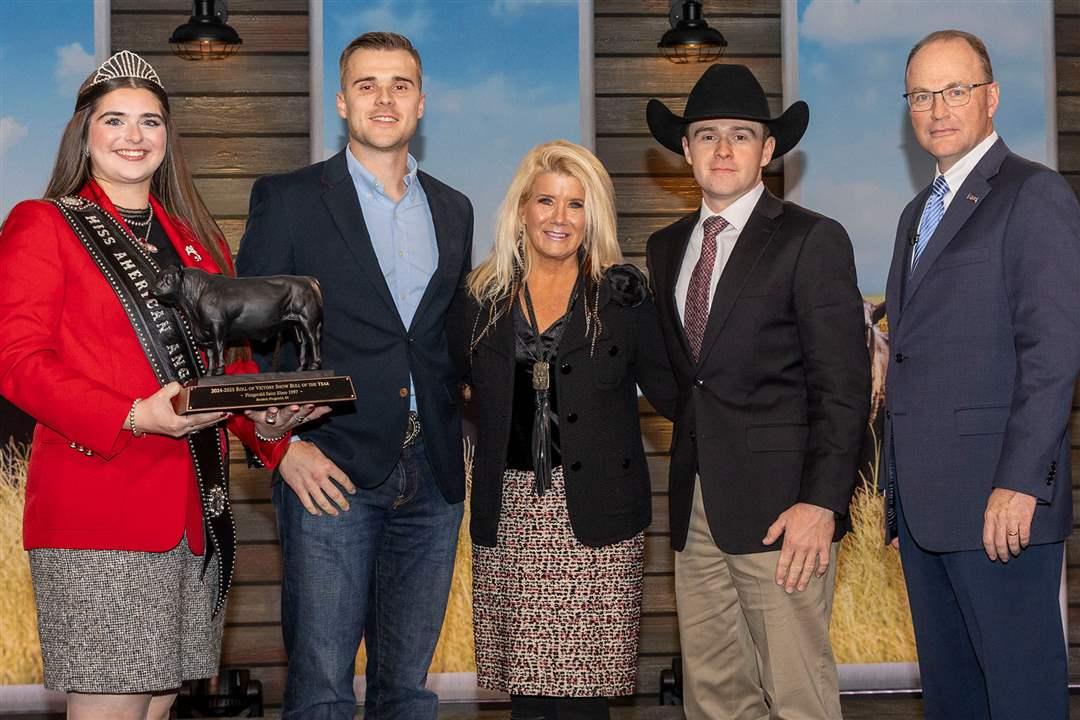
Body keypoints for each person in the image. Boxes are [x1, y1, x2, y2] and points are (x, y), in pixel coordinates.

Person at [0, 51, 315, 720]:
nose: (133, 136)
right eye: (114, 120)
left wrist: (264, 423)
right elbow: (16, 360)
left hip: (193, 517)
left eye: (150, 121)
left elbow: (224, 375)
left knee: (156, 709)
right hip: (98, 511)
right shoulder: (44, 224)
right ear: (84, 131)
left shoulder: (200, 245)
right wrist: (130, 415)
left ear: (168, 137)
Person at [235, 32, 473, 719]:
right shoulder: (289, 199)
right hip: (329, 471)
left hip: (431, 479)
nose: (384, 98)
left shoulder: (453, 209)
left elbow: (445, 338)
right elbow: (245, 339)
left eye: (400, 84)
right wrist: (283, 450)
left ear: (421, 103)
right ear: (342, 101)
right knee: (322, 693)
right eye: (367, 84)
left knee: (408, 693)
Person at [644, 64, 870, 719]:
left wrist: (820, 503)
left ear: (768, 150)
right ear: (684, 149)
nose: (722, 149)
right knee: (714, 695)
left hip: (784, 516)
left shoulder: (810, 240)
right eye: (706, 135)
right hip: (696, 511)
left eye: (740, 135)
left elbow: (843, 386)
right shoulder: (664, 249)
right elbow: (682, 380)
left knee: (797, 694)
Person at [884, 30, 1080, 719]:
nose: (938, 108)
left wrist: (1021, 482)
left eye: (955, 90)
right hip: (926, 509)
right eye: (921, 94)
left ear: (991, 98)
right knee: (954, 701)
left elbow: (1052, 354)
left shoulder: (1035, 195)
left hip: (1000, 506)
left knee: (1021, 699)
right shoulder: (916, 215)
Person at [453, 140, 677, 720]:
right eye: (546, 201)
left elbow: (676, 393)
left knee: (584, 704)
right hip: (514, 516)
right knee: (529, 699)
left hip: (597, 519)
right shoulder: (481, 298)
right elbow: (448, 386)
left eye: (576, 205)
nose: (559, 218)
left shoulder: (622, 297)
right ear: (522, 208)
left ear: (593, 215)